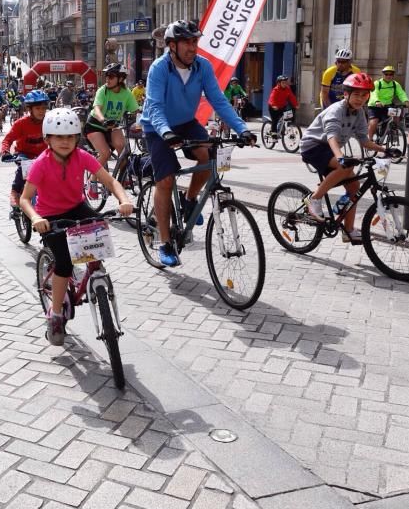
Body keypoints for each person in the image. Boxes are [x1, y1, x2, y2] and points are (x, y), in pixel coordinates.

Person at [141, 20, 256, 267]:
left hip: (185, 122)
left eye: (195, 42)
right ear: (172, 45)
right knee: (166, 180)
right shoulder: (159, 68)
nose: (193, 47)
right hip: (157, 126)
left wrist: (242, 128)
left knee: (208, 156)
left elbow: (219, 100)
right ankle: (164, 243)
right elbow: (155, 106)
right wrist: (165, 132)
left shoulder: (202, 66)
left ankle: (190, 199)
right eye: (187, 42)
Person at [19, 108, 133, 345]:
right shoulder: (41, 163)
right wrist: (36, 219)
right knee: (64, 264)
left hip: (76, 207)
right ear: (47, 139)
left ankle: (96, 276)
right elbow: (25, 199)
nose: (65, 142)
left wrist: (124, 200)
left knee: (98, 234)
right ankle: (56, 314)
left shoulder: (82, 156)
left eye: (70, 136)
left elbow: (110, 180)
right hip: (50, 216)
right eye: (59, 137)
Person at [300, 72, 396, 243]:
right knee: (345, 165)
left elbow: (364, 140)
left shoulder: (359, 113)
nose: (360, 99)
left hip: (331, 149)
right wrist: (341, 157)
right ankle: (313, 198)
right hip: (313, 146)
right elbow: (331, 136)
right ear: (346, 94)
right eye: (356, 94)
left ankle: (349, 230)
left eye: (364, 95)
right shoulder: (336, 110)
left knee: (354, 187)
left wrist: (386, 149)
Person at [84, 62, 139, 196]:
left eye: (111, 76)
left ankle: (123, 177)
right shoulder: (103, 90)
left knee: (123, 148)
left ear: (120, 79)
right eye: (106, 76)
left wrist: (140, 122)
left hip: (113, 126)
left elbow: (135, 110)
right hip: (95, 125)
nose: (107, 79)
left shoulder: (127, 94)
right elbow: (97, 109)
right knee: (105, 153)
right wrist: (103, 120)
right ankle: (92, 182)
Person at [1, 90, 49, 209]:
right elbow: (7, 139)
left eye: (44, 108)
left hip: (42, 155)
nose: (42, 111)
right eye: (38, 108)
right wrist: (5, 152)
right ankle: (15, 192)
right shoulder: (21, 123)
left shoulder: (49, 121)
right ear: (30, 109)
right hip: (24, 154)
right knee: (23, 169)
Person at [367, 65, 409, 139]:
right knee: (374, 122)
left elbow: (401, 93)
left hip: (388, 105)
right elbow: (374, 93)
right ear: (383, 74)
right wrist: (377, 101)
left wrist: (406, 101)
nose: (388, 76)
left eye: (391, 74)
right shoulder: (377, 83)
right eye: (386, 74)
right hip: (375, 105)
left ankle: (393, 133)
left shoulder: (395, 84)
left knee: (395, 115)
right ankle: (369, 140)